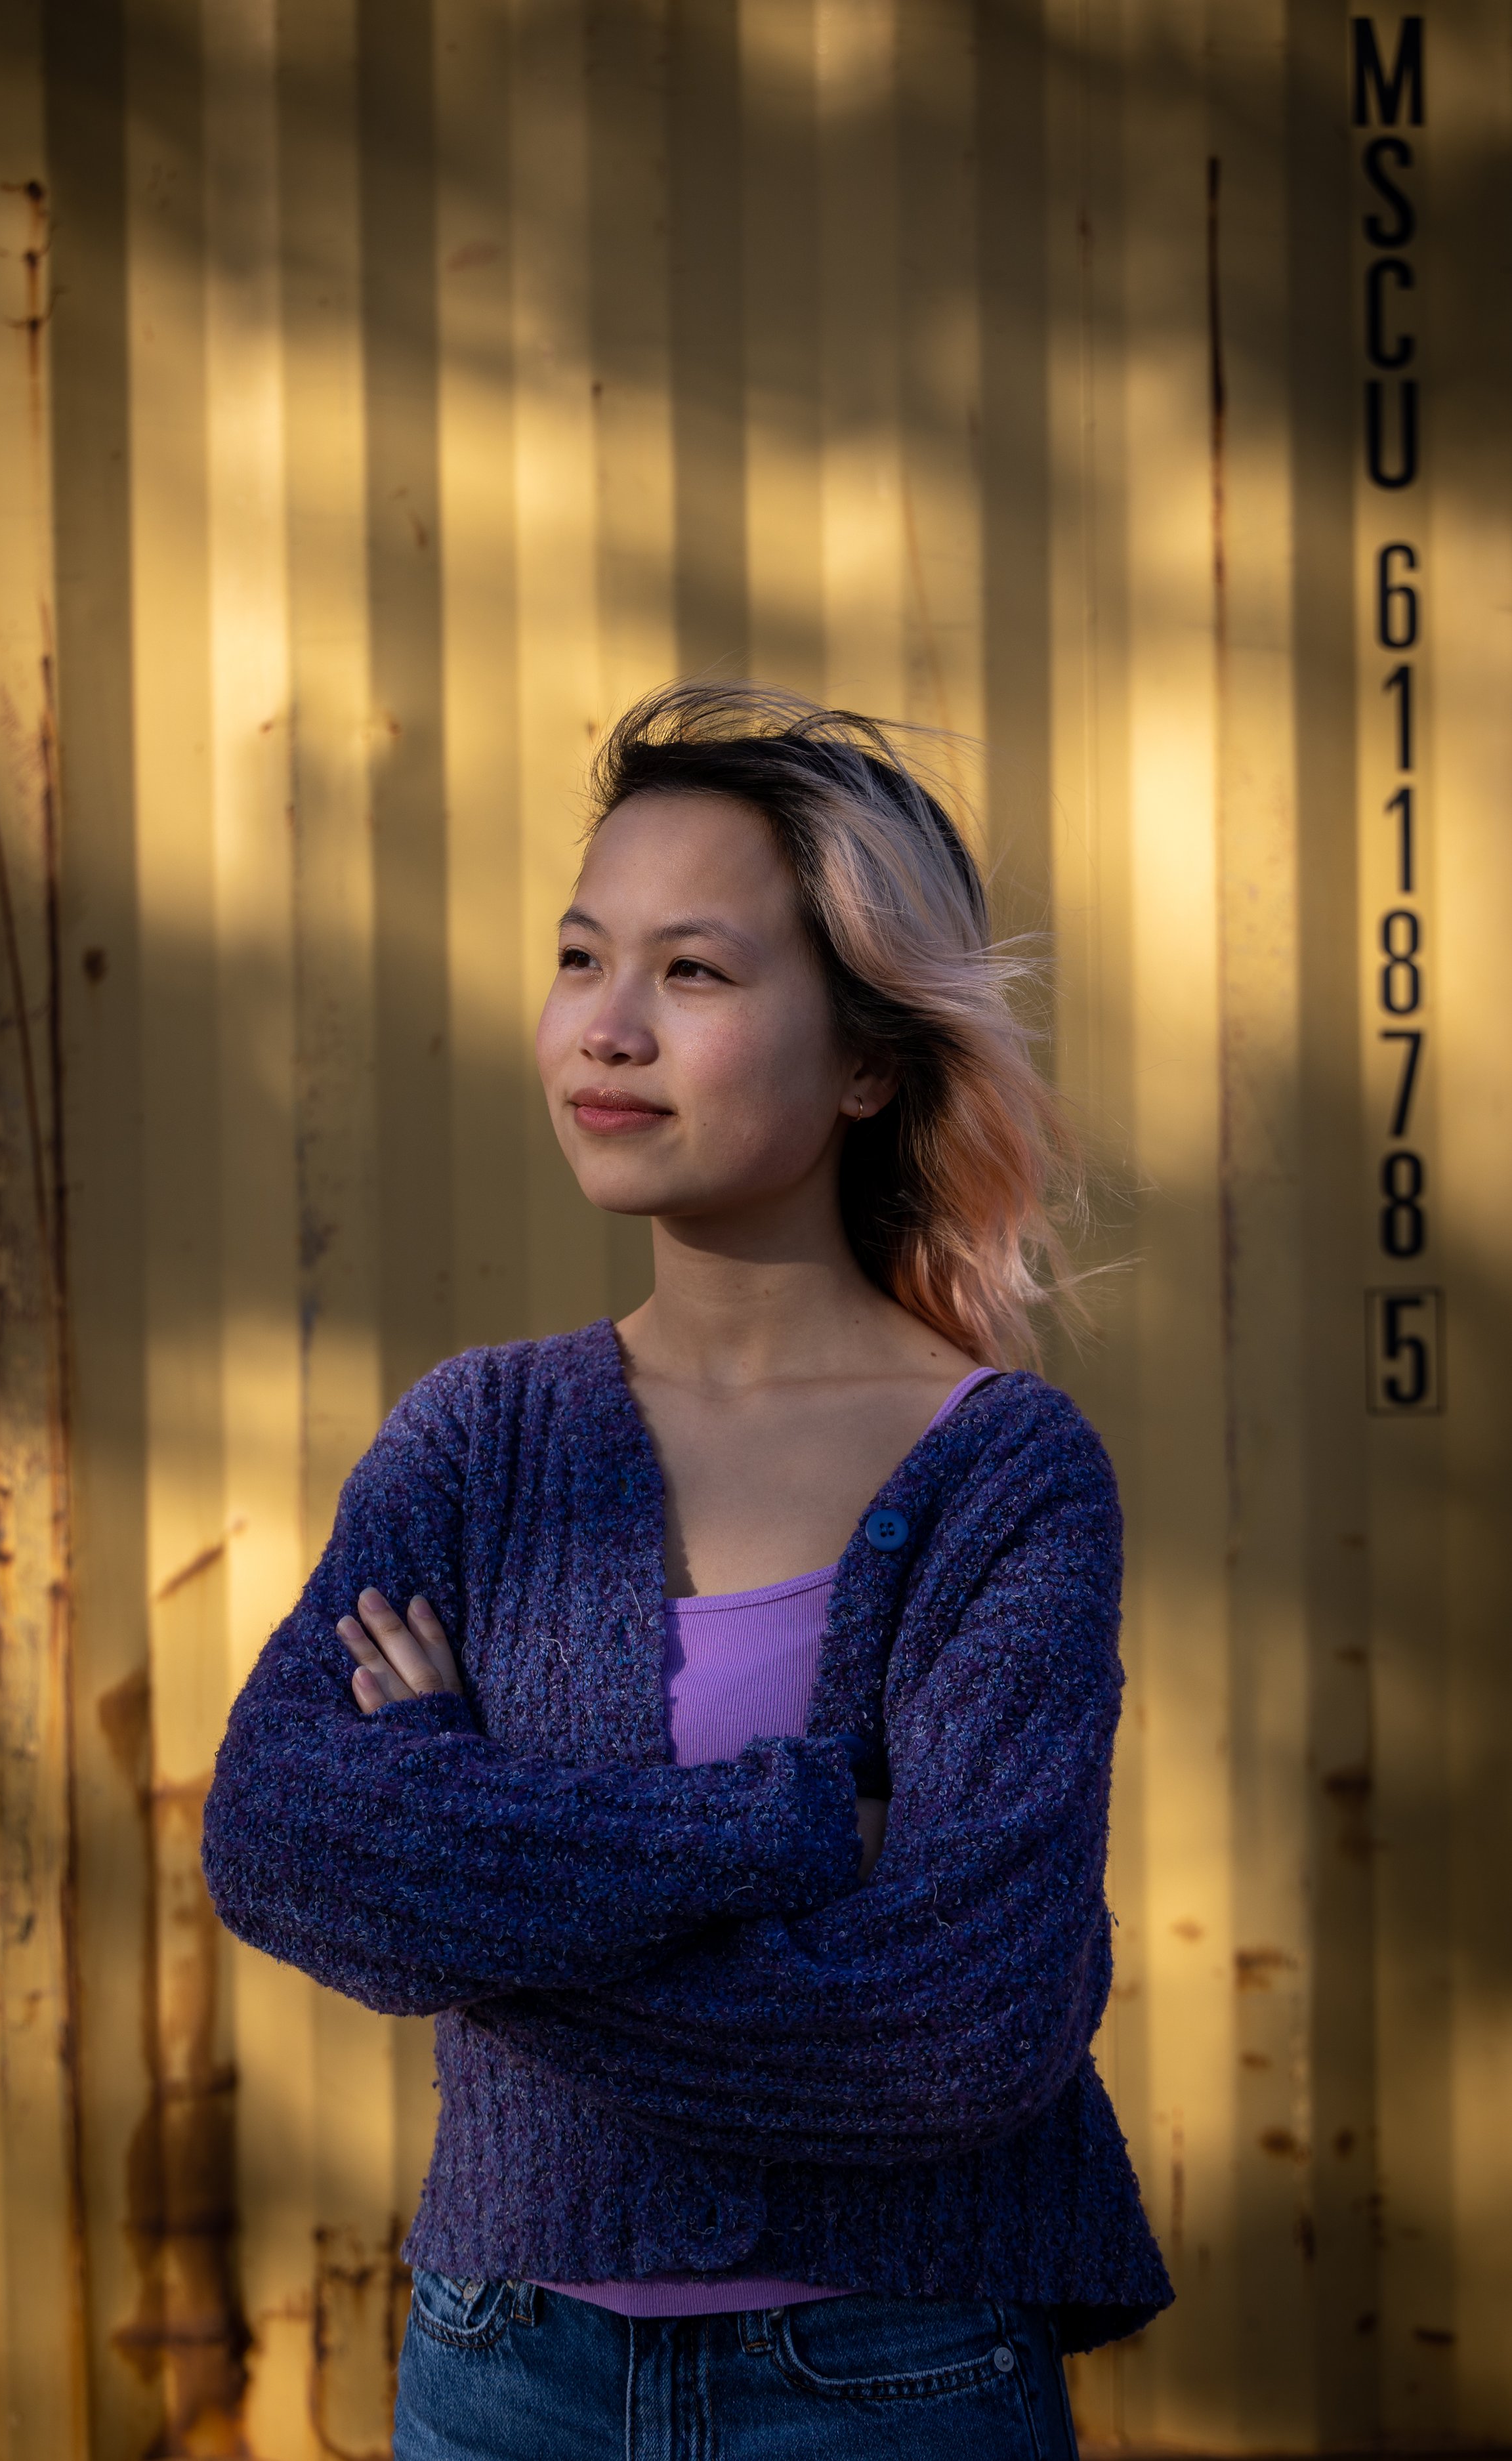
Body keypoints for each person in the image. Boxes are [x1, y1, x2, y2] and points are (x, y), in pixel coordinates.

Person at [202, 681, 1171, 2460]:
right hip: (500, 2370)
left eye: (695, 974)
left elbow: (956, 2033)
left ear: (870, 1059)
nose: (608, 1028)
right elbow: (278, 1835)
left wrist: (455, 1861)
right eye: (582, 959)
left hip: (888, 2378)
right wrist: (772, 1833)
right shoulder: (475, 1441)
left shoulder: (1004, 1479)